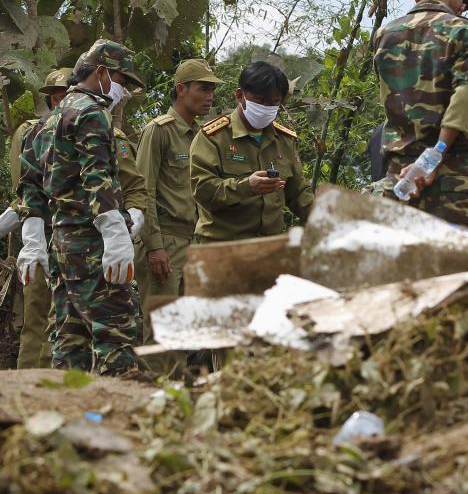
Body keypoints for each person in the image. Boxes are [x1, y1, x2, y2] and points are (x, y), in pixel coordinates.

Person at [18, 40, 144, 375]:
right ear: (101, 72)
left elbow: (30, 187)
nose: (125, 89)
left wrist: (33, 241)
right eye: (122, 80)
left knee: (69, 339)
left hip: (61, 245)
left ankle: (66, 419)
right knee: (116, 339)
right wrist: (116, 235)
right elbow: (97, 177)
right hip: (93, 245)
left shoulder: (47, 121)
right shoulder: (92, 113)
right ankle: (115, 421)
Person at [374, 0, 468, 228]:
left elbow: (390, 100)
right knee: (455, 265)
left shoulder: (384, 34)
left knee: (404, 265)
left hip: (398, 174)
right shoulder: (463, 31)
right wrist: (434, 157)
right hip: (450, 173)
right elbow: (464, 98)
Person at [135, 58, 222, 341]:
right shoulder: (159, 131)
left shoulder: (202, 136)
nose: (209, 97)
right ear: (181, 89)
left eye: (212, 90)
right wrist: (154, 246)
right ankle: (151, 386)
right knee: (162, 332)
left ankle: (175, 386)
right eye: (203, 89)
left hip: (193, 242)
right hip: (165, 241)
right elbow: (142, 191)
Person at [190, 61, 314, 242]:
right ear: (240, 96)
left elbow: (298, 193)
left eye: (273, 103)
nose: (266, 108)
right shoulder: (213, 137)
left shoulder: (284, 140)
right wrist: (246, 186)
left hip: (268, 250)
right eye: (261, 101)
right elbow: (203, 191)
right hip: (221, 249)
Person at [6, 68, 71, 368]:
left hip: (76, 240)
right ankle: (25, 396)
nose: (60, 102)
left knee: (68, 324)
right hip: (41, 234)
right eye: (55, 97)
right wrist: (31, 243)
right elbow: (26, 191)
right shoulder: (33, 133)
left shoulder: (92, 132)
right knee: (36, 318)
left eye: (65, 95)